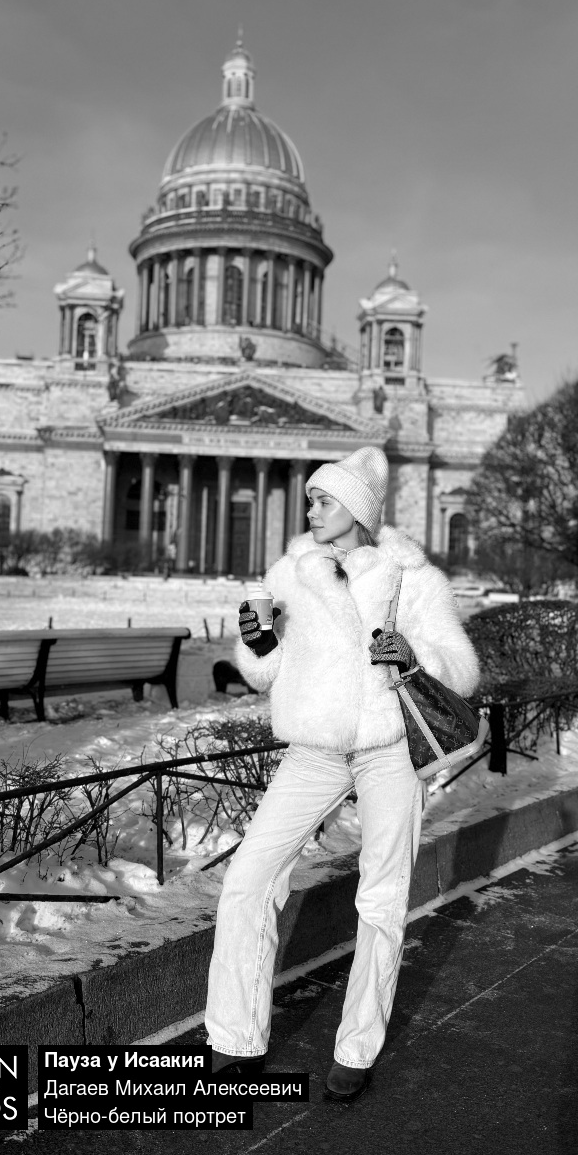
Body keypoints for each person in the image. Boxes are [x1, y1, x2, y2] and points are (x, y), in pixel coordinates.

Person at [204, 446, 479, 1100]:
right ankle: (235, 1038)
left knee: (381, 898)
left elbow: (462, 670)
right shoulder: (291, 572)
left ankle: (357, 1048)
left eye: (324, 500)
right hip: (315, 751)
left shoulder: (411, 577)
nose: (310, 510)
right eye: (311, 500)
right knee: (247, 880)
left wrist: (414, 656)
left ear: (357, 510)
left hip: (390, 750)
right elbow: (265, 671)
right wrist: (259, 641)